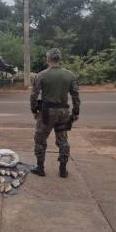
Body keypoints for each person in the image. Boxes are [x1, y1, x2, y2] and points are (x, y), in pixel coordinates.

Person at [30, 48, 80, 178]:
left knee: (40, 140)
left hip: (46, 113)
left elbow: (34, 95)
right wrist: (75, 112)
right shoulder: (70, 75)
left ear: (48, 59)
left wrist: (34, 110)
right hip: (63, 112)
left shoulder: (41, 75)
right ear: (60, 59)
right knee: (63, 140)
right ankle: (63, 169)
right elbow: (75, 96)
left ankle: (40, 168)